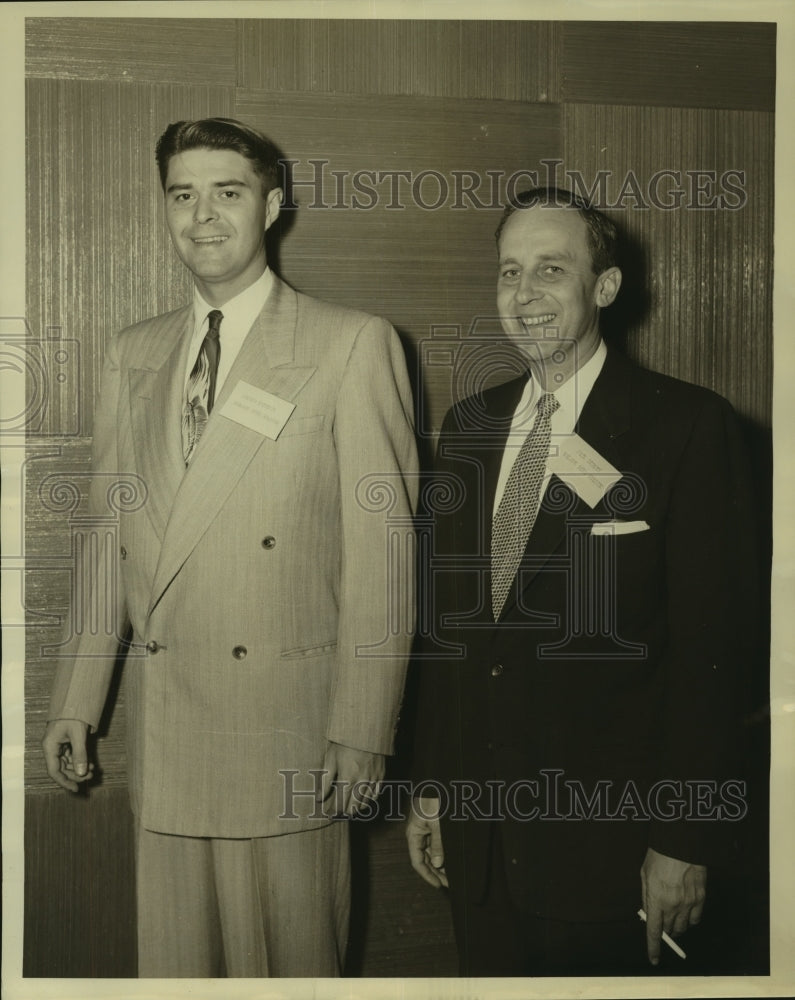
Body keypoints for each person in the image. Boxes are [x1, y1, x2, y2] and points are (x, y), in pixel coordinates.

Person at [42, 117, 418, 978]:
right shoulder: (131, 353)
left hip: (290, 734)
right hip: (171, 726)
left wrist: (363, 726)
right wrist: (77, 695)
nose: (202, 216)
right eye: (182, 194)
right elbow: (111, 534)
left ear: (273, 207)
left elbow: (384, 556)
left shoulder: (349, 342)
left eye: (228, 192)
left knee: (287, 968)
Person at [406, 187, 757, 976]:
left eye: (550, 270)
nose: (523, 295)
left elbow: (717, 658)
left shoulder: (687, 427)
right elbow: (452, 634)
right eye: (507, 272)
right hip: (483, 841)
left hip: (611, 850)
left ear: (603, 287)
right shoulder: (468, 427)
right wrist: (432, 787)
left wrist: (682, 840)